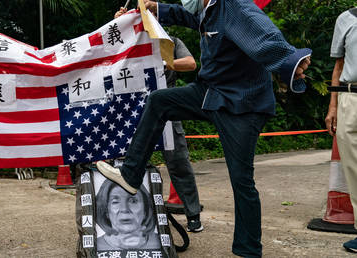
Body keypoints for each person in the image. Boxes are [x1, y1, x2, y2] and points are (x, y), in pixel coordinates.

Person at [97, 0, 311, 257]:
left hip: (243, 104)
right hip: (211, 92)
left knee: (242, 180)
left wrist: (290, 60)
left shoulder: (233, 5)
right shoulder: (207, 9)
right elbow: (185, 15)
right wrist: (155, 9)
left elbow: (263, 32)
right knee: (159, 101)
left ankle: (248, 250)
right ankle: (131, 175)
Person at [115, 3, 203, 233]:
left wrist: (163, 62)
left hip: (167, 108)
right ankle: (121, 214)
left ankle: (193, 214)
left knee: (178, 161)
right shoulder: (128, 43)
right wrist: (116, 25)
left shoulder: (169, 41)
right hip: (132, 109)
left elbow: (191, 63)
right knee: (124, 161)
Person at [325, 7, 357, 253]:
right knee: (353, 168)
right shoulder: (345, 19)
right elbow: (338, 66)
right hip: (349, 98)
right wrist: (333, 106)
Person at [96, 179, 160, 251]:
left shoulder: (160, 243)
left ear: (146, 209)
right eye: (115, 202)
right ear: (106, 211)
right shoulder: (95, 247)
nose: (124, 209)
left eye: (133, 201)